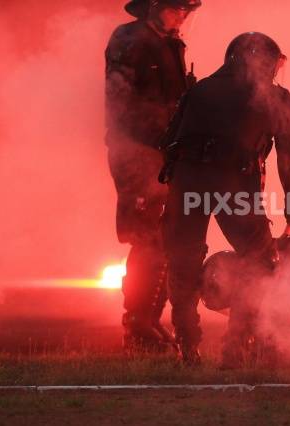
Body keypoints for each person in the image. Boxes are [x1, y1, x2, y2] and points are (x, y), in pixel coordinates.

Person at [159, 32, 290, 366]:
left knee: (182, 264)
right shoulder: (274, 98)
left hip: (188, 187)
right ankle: (235, 350)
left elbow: (168, 145)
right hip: (234, 190)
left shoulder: (197, 92)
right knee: (258, 263)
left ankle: (188, 350)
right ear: (266, 62)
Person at [105, 0, 202, 351]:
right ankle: (136, 324)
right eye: (177, 7)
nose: (183, 15)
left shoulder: (169, 43)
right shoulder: (130, 40)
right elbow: (122, 104)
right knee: (147, 239)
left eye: (188, 10)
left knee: (164, 239)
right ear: (154, 6)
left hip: (162, 155)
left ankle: (148, 319)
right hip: (138, 153)